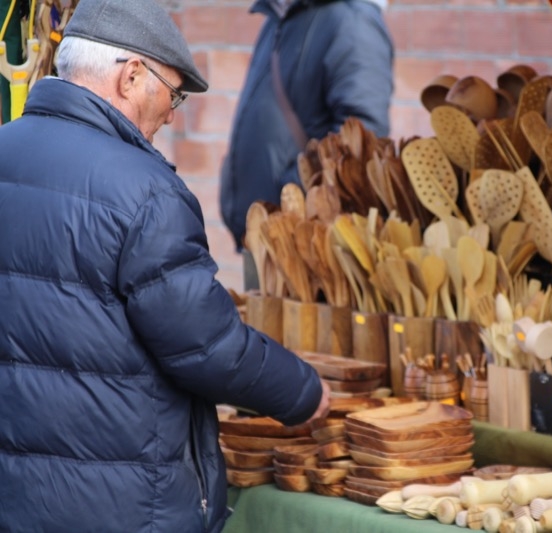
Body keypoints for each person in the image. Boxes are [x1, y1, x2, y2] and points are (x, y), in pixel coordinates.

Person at [0, 1, 329, 532]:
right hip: (121, 507)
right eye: (173, 92)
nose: (173, 112)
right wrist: (304, 391)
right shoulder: (146, 190)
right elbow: (209, 348)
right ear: (131, 76)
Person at [219, 0, 394, 276]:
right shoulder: (283, 16)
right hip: (269, 236)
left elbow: (361, 139)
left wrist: (292, 195)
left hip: (306, 247)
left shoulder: (352, 22)